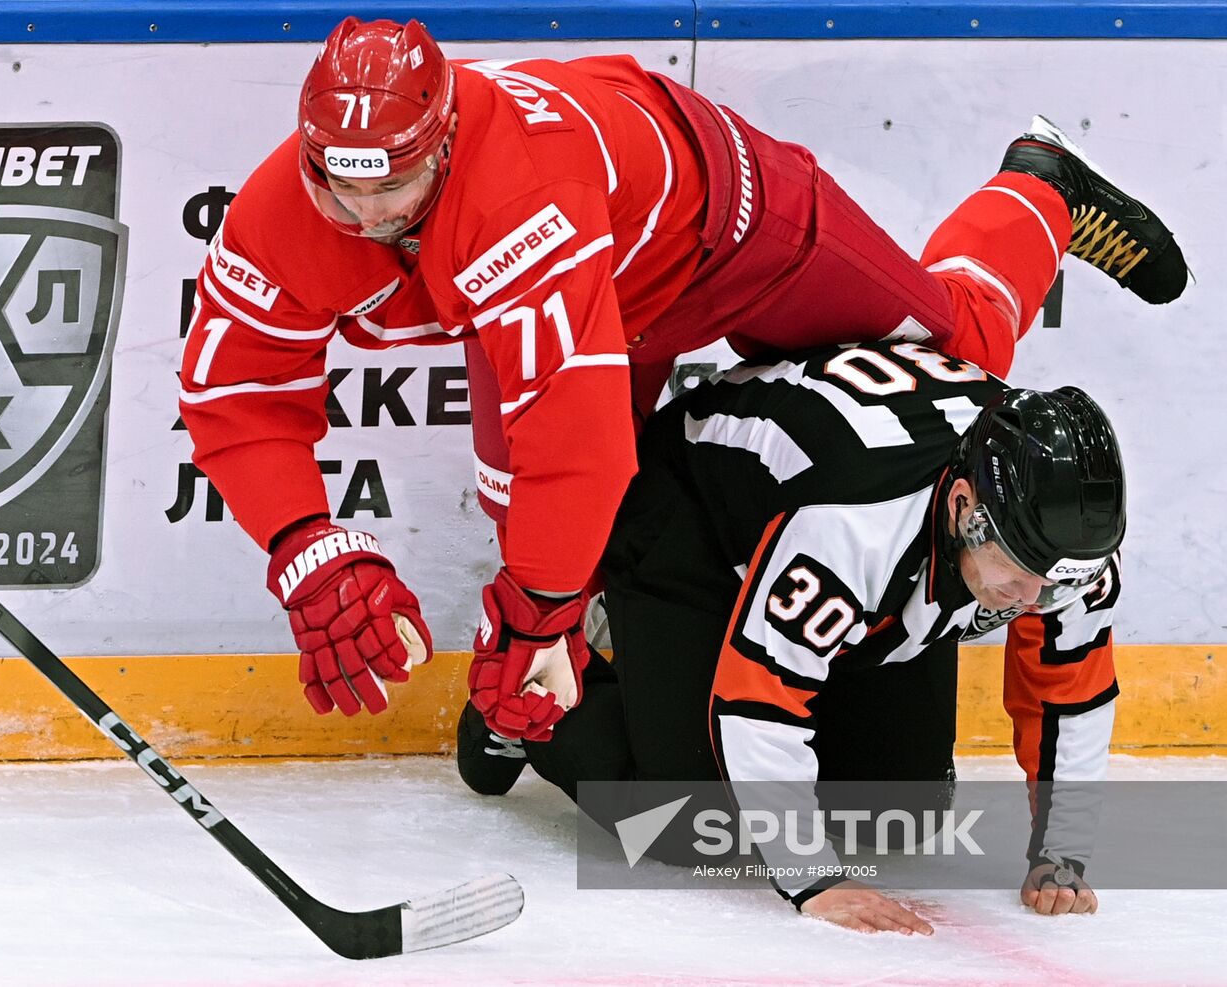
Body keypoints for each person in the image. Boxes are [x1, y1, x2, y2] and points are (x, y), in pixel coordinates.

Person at [178, 15, 1184, 740]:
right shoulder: (284, 206)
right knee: (528, 509)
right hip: (609, 277)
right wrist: (307, 544)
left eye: (390, 184)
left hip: (730, 231)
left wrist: (536, 618)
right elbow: (233, 392)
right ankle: (572, 682)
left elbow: (572, 451)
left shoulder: (518, 193)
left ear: (441, 147)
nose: (362, 214)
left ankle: (1036, 185)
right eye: (334, 183)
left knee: (953, 348)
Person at [459, 343, 1127, 934]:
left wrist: (1059, 853)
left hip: (835, 539)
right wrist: (814, 878)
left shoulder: (1061, 548)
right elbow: (758, 703)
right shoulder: (856, 524)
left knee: (904, 805)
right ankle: (534, 700)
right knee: (692, 823)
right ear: (961, 506)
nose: (1033, 600)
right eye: (1018, 572)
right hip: (691, 506)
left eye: (1056, 582)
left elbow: (1070, 686)